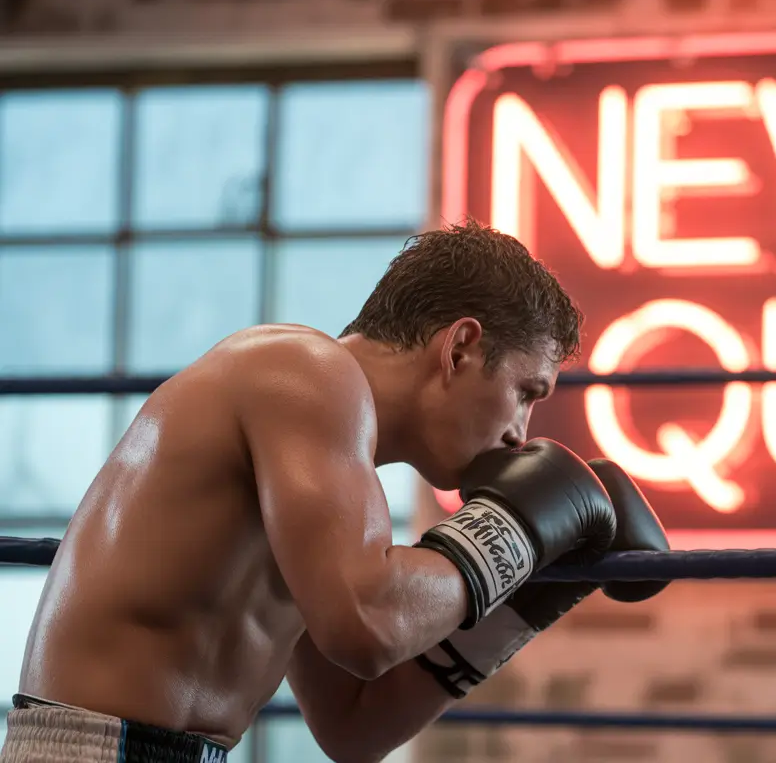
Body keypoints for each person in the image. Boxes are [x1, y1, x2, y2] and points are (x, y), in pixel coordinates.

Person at [0, 219, 671, 763]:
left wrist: (528, 596)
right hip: (87, 750)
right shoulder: (301, 370)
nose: (520, 435)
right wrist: (516, 532)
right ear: (460, 348)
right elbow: (368, 624)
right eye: (526, 393)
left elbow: (356, 727)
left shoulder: (334, 485)